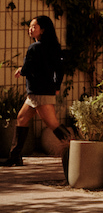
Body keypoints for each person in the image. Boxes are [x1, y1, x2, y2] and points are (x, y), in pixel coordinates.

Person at [6, 16, 67, 166]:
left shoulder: (35, 47)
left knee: (52, 123)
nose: (30, 29)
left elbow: (28, 68)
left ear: (43, 30)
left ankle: (75, 147)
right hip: (39, 92)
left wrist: (21, 70)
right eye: (30, 26)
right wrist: (57, 86)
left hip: (39, 92)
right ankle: (14, 157)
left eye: (34, 27)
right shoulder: (52, 47)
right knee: (21, 118)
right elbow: (59, 70)